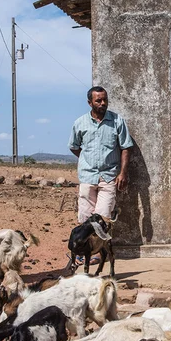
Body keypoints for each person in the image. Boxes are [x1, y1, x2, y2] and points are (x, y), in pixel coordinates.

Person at [69, 86, 133, 235]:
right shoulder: (80, 123)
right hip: (87, 176)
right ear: (90, 103)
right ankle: (85, 254)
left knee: (103, 219)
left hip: (109, 176)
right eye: (98, 100)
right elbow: (74, 146)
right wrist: (87, 159)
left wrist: (122, 173)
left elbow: (126, 147)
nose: (103, 103)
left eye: (105, 100)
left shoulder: (117, 121)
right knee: (85, 219)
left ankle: (98, 254)